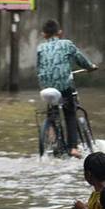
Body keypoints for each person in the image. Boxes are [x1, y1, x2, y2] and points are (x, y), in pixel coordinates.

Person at [37, 19, 98, 159]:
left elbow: (39, 67)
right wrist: (90, 67)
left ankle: (52, 136)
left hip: (46, 88)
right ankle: (73, 148)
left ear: (43, 34)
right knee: (70, 113)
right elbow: (81, 59)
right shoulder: (66, 44)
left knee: (52, 112)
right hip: (64, 86)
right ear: (60, 33)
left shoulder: (40, 48)